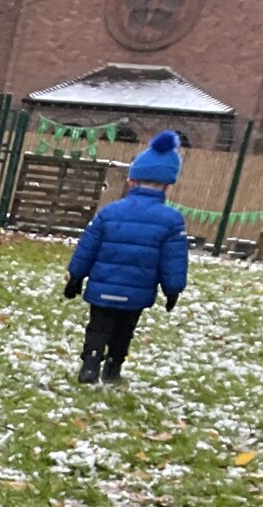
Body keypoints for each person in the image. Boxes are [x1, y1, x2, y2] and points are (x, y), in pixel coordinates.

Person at [66, 129, 188, 386]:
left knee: (98, 326)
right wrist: (173, 289)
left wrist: (76, 276)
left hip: (103, 286)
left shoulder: (109, 212)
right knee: (124, 329)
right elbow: (173, 259)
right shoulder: (172, 221)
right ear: (167, 186)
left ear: (132, 180)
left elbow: (88, 247)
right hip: (137, 291)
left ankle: (90, 364)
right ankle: (113, 367)